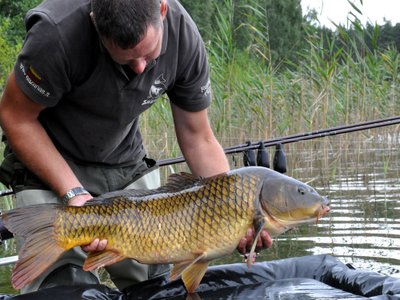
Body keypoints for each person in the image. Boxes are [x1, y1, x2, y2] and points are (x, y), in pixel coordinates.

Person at [0, 0, 272, 293]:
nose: (141, 67)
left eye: (148, 54)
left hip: (124, 161)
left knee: (161, 285)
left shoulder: (182, 34)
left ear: (163, 10)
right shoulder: (56, 34)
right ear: (95, 23)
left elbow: (199, 137)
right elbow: (16, 118)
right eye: (126, 60)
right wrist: (74, 193)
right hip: (50, 158)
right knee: (65, 290)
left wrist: (231, 211)